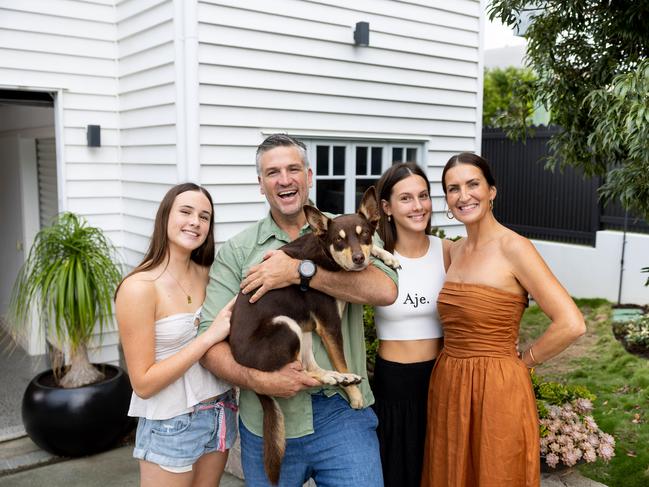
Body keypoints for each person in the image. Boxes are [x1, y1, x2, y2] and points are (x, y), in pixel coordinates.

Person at [198, 133, 398, 486]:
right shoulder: (238, 251)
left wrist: (299, 272)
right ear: (261, 185)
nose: (285, 179)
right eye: (273, 172)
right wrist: (260, 380)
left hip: (342, 411)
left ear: (309, 176)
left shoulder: (349, 228)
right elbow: (208, 344)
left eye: (293, 169)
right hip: (270, 415)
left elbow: (384, 290)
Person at [420, 153, 586, 487]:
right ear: (447, 200)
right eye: (453, 189)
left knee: (496, 472)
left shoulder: (515, 248)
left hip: (498, 387)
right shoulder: (454, 250)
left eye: (472, 184)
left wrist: (524, 362)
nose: (463, 195)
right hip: (449, 383)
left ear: (491, 190)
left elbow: (571, 322)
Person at [115, 183, 237, 487]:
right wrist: (207, 339)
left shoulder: (211, 275)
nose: (195, 222)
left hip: (220, 410)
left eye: (204, 216)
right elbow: (143, 383)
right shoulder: (139, 287)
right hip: (170, 420)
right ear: (165, 216)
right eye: (186, 211)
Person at [372, 162, 450, 487]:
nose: (418, 206)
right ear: (387, 207)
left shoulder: (448, 251)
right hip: (394, 386)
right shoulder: (374, 256)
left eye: (423, 196)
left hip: (440, 381)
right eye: (406, 198)